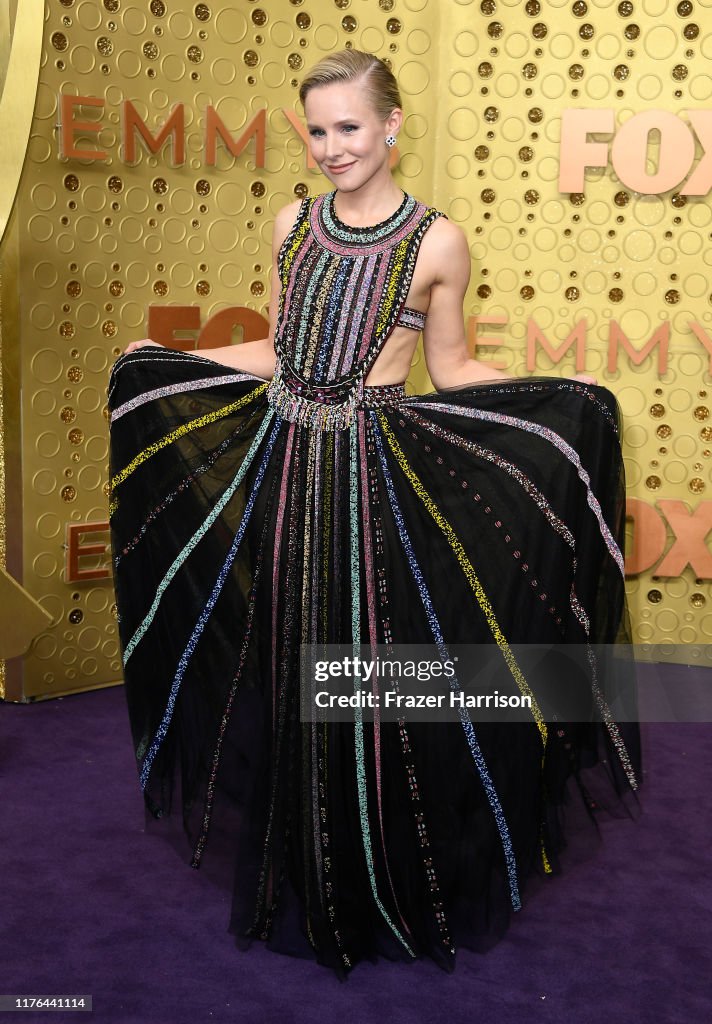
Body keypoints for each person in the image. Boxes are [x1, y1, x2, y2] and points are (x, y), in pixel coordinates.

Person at [108, 49, 640, 977]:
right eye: (316, 130)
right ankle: (298, 874)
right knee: (282, 666)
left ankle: (375, 877)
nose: (331, 148)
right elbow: (278, 350)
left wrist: (565, 393)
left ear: (392, 126)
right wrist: (174, 357)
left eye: (348, 127)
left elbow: (456, 370)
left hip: (369, 484)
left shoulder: (437, 240)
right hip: (285, 474)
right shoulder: (293, 224)